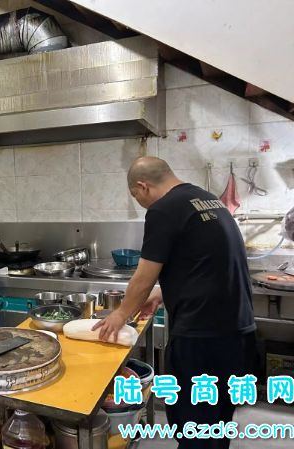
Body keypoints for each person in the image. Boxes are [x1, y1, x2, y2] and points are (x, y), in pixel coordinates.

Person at [94, 157, 257, 449]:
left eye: (135, 196)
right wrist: (163, 293)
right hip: (237, 334)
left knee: (192, 425)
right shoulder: (207, 200)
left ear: (143, 186)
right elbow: (206, 263)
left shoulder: (163, 209)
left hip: (201, 339)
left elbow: (143, 277)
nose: (140, 203)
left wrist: (121, 314)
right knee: (217, 422)